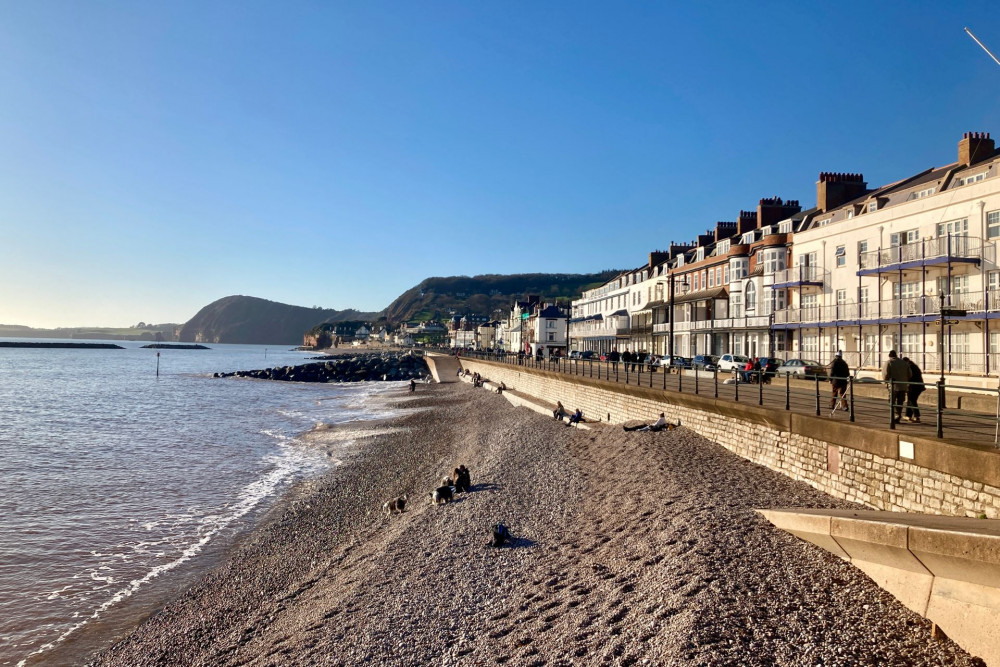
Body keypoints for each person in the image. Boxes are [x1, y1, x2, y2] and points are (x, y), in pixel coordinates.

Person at [882, 350, 911, 423]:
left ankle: (896, 414)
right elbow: (910, 374)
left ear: (890, 356)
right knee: (900, 402)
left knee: (891, 401)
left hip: (893, 386)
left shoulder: (889, 362)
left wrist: (886, 381)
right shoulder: (904, 363)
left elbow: (885, 374)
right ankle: (898, 416)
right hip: (903, 386)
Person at [903, 357, 925, 423]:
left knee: (912, 400)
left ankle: (916, 416)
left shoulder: (909, 367)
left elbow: (908, 376)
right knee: (910, 400)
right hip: (919, 386)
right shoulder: (914, 366)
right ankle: (908, 416)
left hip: (913, 386)